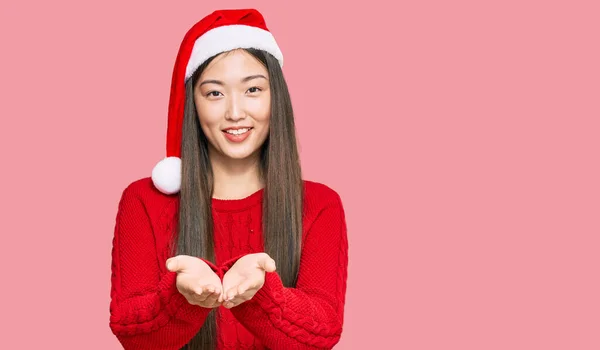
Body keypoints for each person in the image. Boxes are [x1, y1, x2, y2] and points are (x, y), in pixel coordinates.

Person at [108, 8, 349, 350]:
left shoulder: (321, 205)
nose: (235, 112)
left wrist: (262, 293)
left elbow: (323, 333)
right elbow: (130, 333)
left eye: (252, 90)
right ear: (193, 103)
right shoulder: (143, 200)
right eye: (215, 93)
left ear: (275, 97)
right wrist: (181, 297)